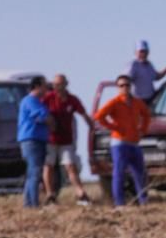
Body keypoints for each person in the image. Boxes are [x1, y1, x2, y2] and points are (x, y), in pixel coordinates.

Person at [94, 75, 151, 206]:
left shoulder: (137, 102)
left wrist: (143, 129)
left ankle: (144, 201)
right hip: (119, 143)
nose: (125, 88)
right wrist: (114, 127)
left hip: (134, 142)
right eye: (121, 85)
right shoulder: (114, 102)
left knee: (140, 173)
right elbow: (99, 116)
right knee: (119, 173)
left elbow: (146, 114)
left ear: (131, 86)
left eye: (127, 85)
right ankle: (119, 203)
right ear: (117, 88)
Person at [41, 74, 93, 205]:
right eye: (54, 84)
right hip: (50, 139)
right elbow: (39, 112)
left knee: (70, 166)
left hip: (66, 140)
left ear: (66, 84)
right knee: (49, 166)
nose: (56, 87)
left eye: (59, 84)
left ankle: (80, 193)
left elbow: (83, 113)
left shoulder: (72, 100)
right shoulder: (48, 98)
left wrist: (91, 125)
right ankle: (50, 195)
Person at [17, 76, 53, 208]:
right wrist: (50, 120)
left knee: (32, 172)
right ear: (37, 86)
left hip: (35, 140)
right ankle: (33, 204)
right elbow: (43, 117)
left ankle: (29, 203)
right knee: (35, 172)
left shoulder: (35, 101)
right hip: (32, 140)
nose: (46, 89)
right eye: (44, 85)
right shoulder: (31, 101)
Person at [128, 40, 166, 106]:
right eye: (141, 51)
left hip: (150, 101)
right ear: (136, 52)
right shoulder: (133, 65)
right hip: (138, 101)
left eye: (145, 52)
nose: (143, 54)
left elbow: (158, 77)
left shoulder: (149, 65)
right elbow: (126, 80)